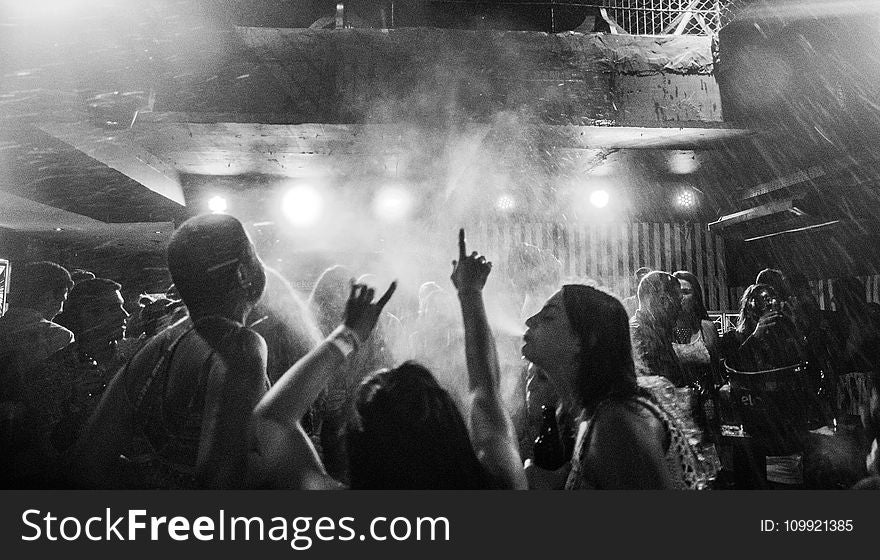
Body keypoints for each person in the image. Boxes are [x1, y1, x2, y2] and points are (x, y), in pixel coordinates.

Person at [247, 230, 526, 489]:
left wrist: (348, 334)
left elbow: (271, 419)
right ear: (451, 425)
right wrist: (471, 292)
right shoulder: (499, 482)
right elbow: (485, 388)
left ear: (360, 445)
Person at [67, 214, 270, 489]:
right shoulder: (241, 346)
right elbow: (224, 483)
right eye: (256, 256)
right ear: (242, 274)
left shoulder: (159, 347)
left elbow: (88, 461)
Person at [522, 283, 701, 489]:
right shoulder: (592, 415)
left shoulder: (615, 423)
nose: (529, 320)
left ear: (586, 338)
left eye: (549, 317)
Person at [35, 278, 137, 460]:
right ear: (87, 314)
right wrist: (76, 405)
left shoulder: (134, 359)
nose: (125, 314)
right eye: (113, 308)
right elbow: (50, 448)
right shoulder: (53, 370)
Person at [0, 261, 74, 487]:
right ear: (49, 295)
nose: (61, 309)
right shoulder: (58, 336)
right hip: (29, 441)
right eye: (61, 299)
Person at [630, 271, 685, 385]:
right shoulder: (639, 335)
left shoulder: (656, 330)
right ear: (662, 300)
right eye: (678, 302)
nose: (680, 309)